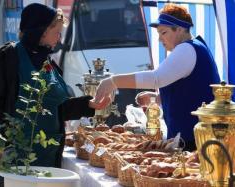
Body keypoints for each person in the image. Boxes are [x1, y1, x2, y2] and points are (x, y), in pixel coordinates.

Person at [0, 3, 110, 186]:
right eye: (57, 32)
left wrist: (89, 105)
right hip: (13, 161)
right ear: (41, 31)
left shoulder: (48, 62)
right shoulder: (8, 57)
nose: (59, 39)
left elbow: (55, 108)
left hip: (47, 158)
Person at [94, 3, 220, 151]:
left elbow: (156, 78)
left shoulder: (187, 48)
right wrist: (158, 98)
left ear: (179, 29)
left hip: (195, 139)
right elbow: (190, 90)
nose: (160, 39)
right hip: (197, 137)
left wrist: (113, 81)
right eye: (159, 34)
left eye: (164, 33)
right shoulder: (194, 47)